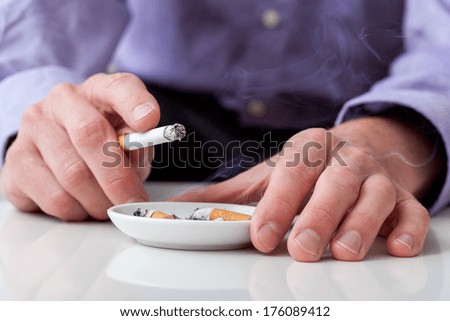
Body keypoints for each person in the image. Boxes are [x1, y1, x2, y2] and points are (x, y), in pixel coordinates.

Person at [0, 0, 449, 262]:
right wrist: (39, 125)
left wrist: (398, 135)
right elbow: (38, 30)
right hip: (156, 124)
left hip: (364, 129)